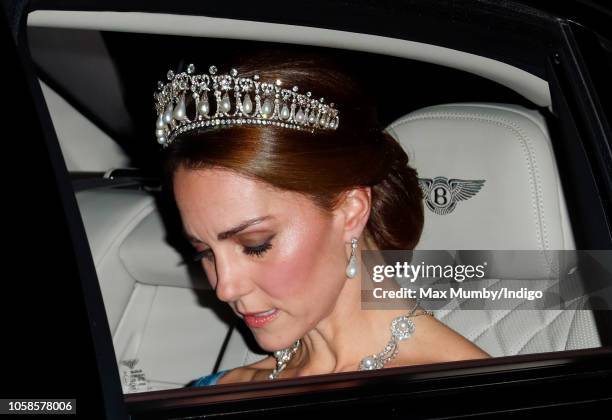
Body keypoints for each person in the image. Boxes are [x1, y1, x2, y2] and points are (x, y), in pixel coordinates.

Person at [154, 48, 491, 386]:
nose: (225, 288)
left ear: (351, 210)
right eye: (204, 252)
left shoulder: (476, 394)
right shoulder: (216, 391)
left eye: (256, 245)